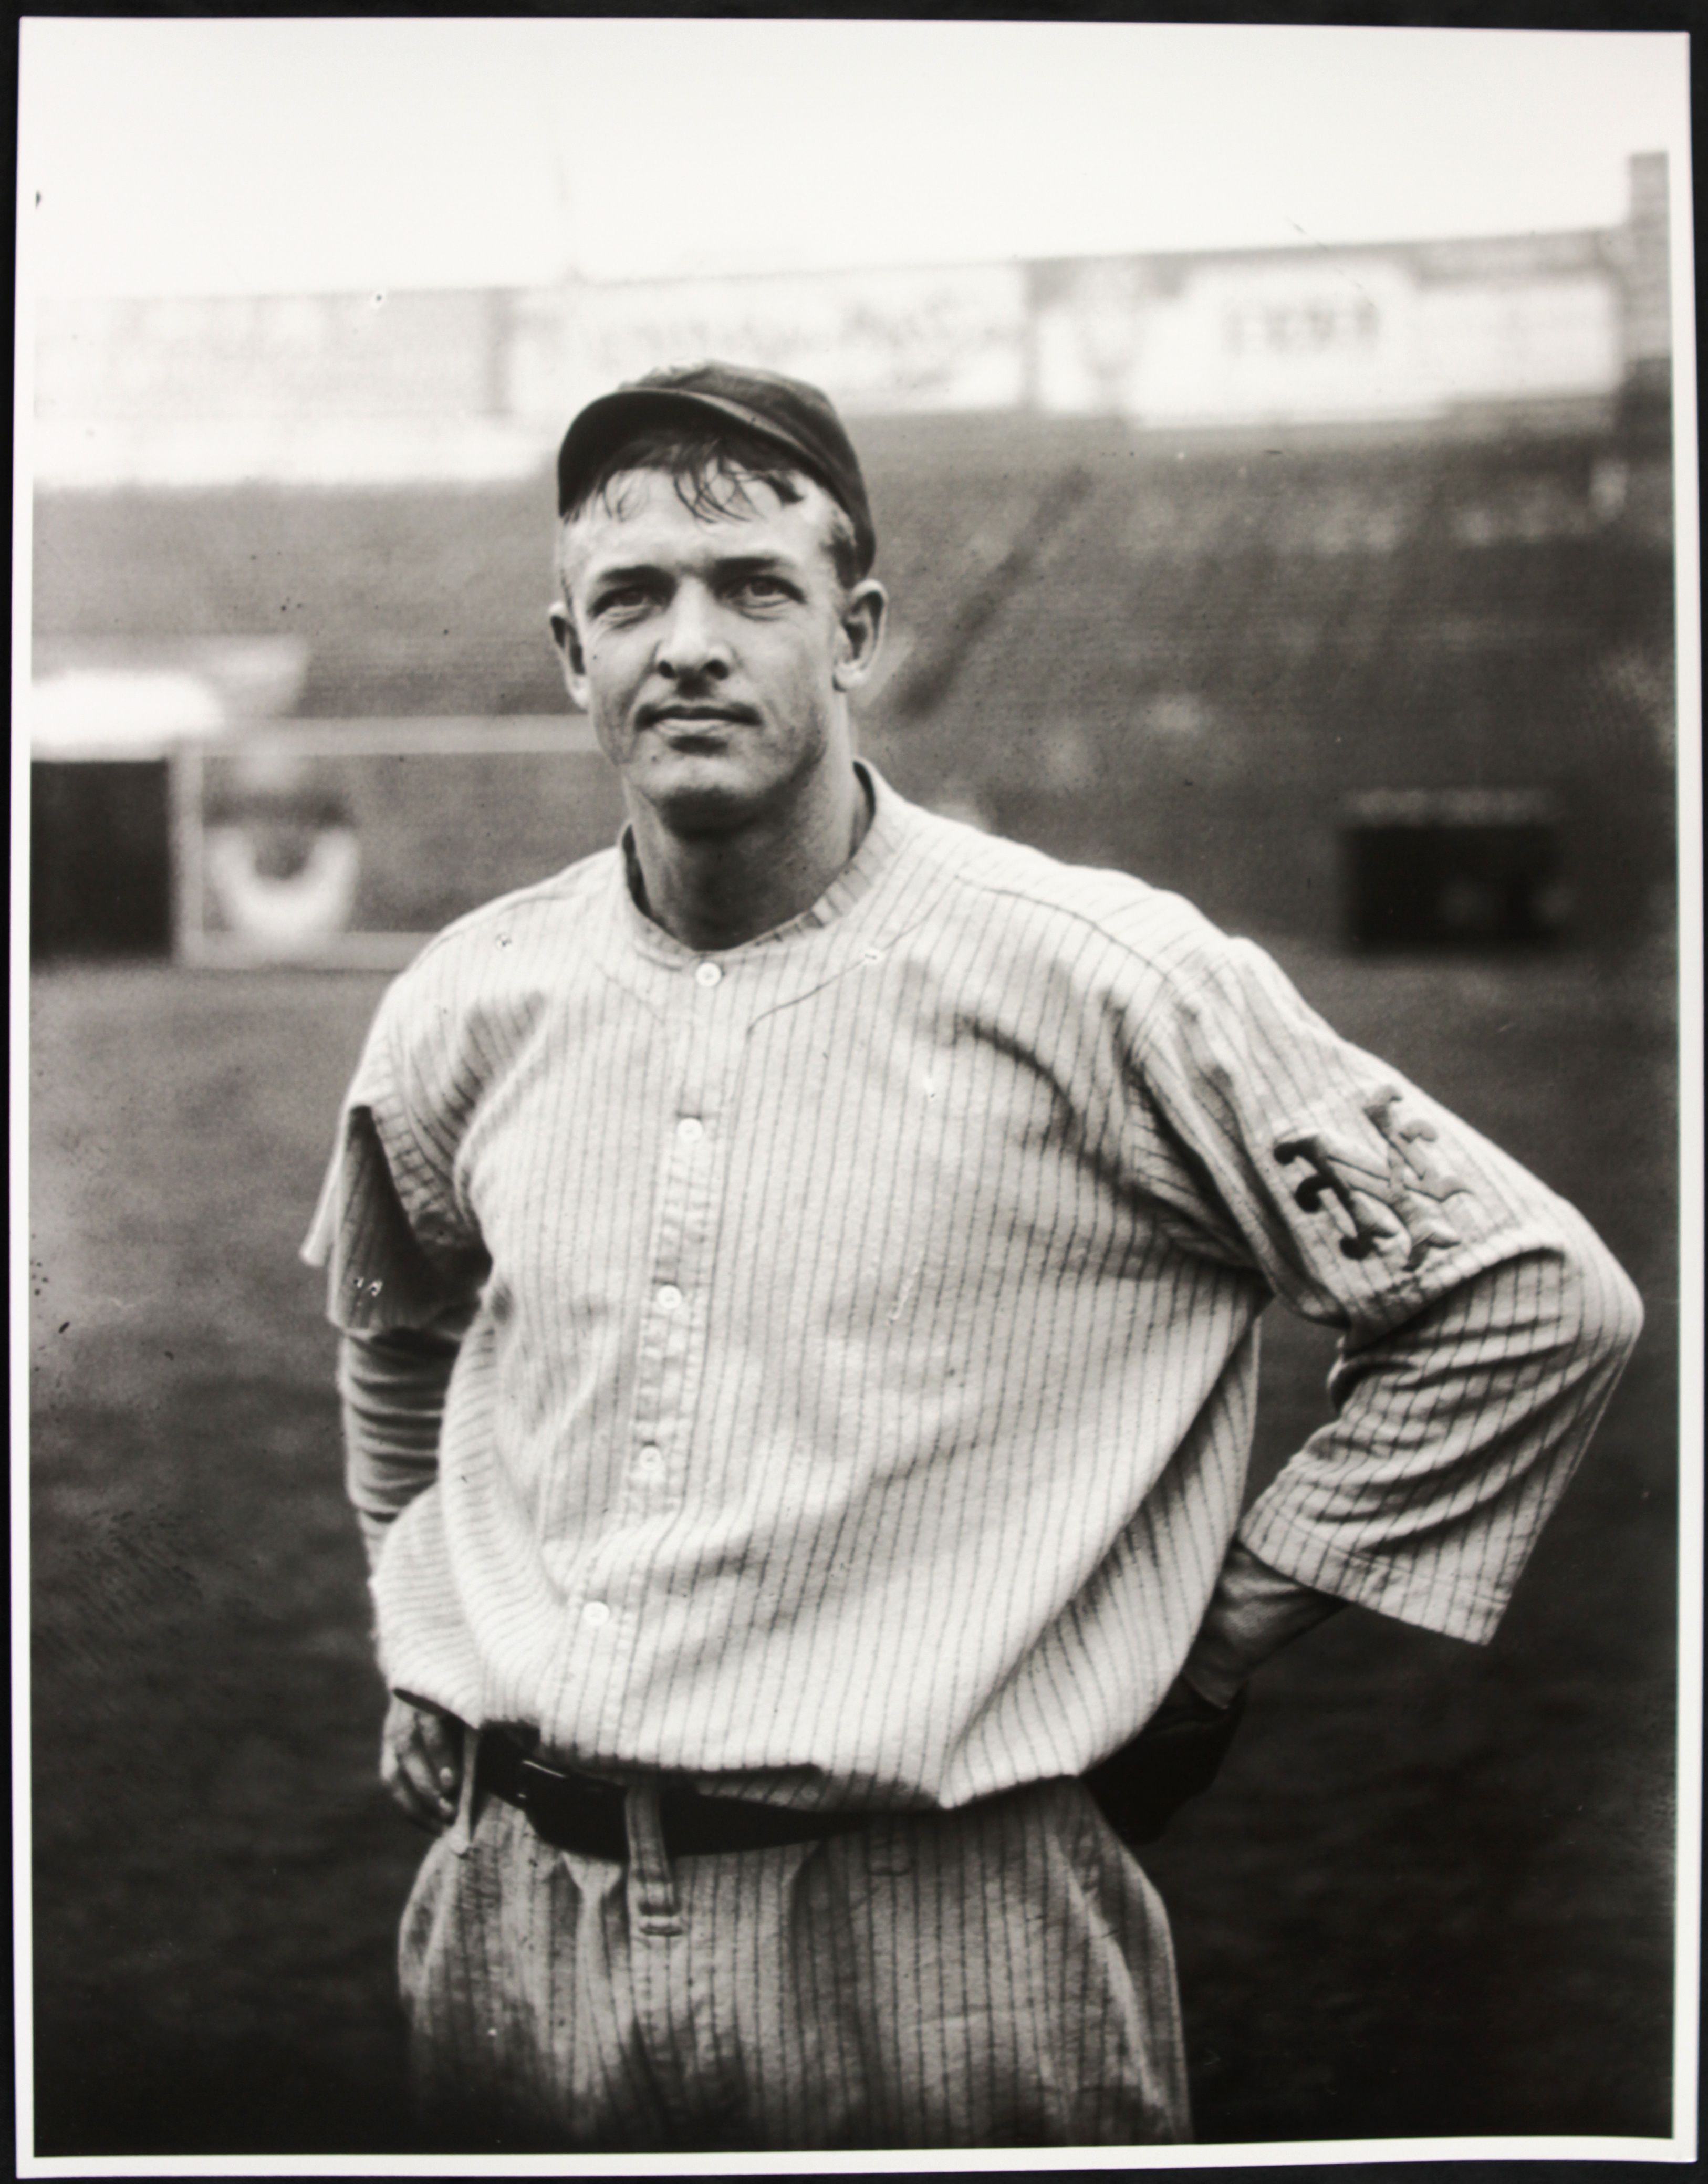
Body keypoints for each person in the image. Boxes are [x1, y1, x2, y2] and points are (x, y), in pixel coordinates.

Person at [303, 360, 1643, 2152]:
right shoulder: (467, 994)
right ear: (569, 651)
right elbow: (397, 1322)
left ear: (854, 630)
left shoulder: (1108, 980)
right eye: (631, 598)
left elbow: (1526, 1296)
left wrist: (1221, 1635)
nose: (687, 644)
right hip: (519, 1922)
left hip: (942, 1938)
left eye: (753, 590)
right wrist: (419, 1618)